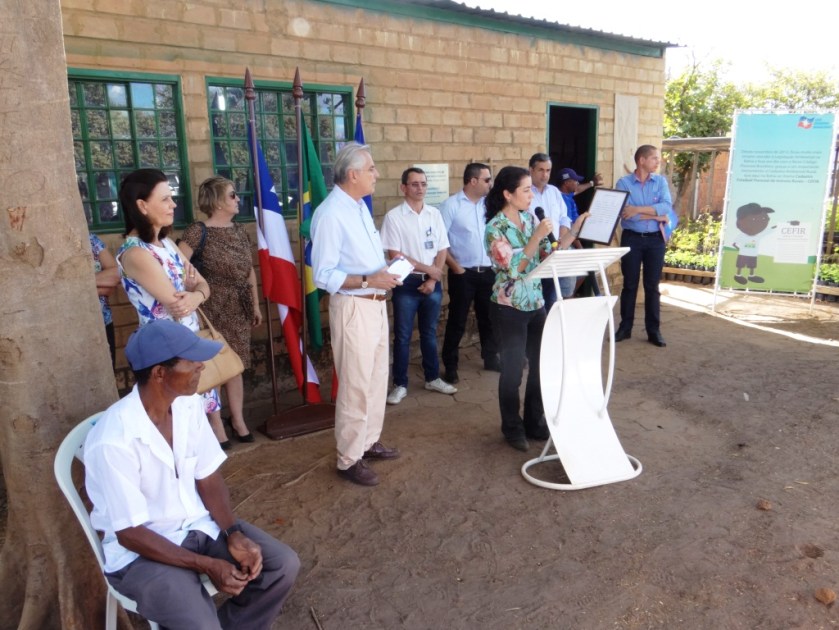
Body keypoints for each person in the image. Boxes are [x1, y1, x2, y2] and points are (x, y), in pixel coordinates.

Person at [84, 319, 299, 629]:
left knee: (281, 566)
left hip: (199, 527)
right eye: (191, 361)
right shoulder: (114, 440)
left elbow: (208, 477)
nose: (202, 366)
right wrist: (207, 564)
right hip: (141, 554)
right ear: (159, 373)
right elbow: (131, 534)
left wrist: (232, 532)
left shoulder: (188, 406)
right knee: (199, 622)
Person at [116, 168, 229, 449]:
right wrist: (193, 295)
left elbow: (203, 287)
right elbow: (177, 305)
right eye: (165, 199)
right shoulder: (136, 253)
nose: (173, 205)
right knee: (178, 424)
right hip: (165, 352)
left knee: (196, 418)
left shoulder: (166, 243)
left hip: (187, 343)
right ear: (142, 206)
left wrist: (195, 295)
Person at [311, 142, 401, 486]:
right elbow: (323, 274)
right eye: (371, 169)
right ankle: (349, 458)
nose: (376, 174)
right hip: (354, 307)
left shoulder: (359, 207)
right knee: (355, 384)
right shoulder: (331, 213)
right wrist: (368, 278)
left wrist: (384, 267)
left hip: (375, 303)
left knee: (377, 377)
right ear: (352, 175)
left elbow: (364, 256)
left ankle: (367, 441)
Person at [484, 166, 588, 452]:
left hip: (536, 303)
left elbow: (549, 253)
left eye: (532, 189)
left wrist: (575, 228)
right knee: (513, 372)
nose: (532, 195)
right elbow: (513, 269)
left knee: (542, 366)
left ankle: (534, 421)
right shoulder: (495, 228)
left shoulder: (530, 220)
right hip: (509, 308)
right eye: (526, 190)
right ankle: (512, 427)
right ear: (508, 194)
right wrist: (535, 237)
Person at [179, 176, 263, 444]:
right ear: (216, 201)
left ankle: (237, 420)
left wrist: (256, 303)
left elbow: (248, 269)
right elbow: (178, 265)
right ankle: (216, 425)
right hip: (211, 307)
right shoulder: (198, 230)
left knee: (235, 364)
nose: (237, 199)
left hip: (238, 306)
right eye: (231, 195)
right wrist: (193, 289)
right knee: (212, 365)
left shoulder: (239, 230)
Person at [381, 167, 456, 405]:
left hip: (431, 283)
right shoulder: (394, 217)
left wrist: (433, 279)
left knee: (429, 333)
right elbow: (395, 254)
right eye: (414, 184)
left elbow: (442, 248)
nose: (420, 188)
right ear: (403, 187)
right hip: (406, 283)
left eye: (423, 184)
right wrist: (429, 270)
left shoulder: (434, 214)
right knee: (402, 336)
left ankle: (432, 377)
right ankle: (400, 384)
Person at [439, 162, 500, 385]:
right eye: (486, 180)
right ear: (472, 181)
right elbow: (440, 242)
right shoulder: (451, 205)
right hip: (463, 272)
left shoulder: (489, 205)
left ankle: (491, 358)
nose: (490, 184)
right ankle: (451, 366)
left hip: (488, 271)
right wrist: (456, 267)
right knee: (458, 320)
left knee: (489, 318)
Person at [614, 145, 672, 347]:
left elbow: (666, 208)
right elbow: (623, 212)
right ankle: (625, 328)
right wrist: (656, 214)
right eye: (655, 158)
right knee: (629, 285)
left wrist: (638, 209)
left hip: (656, 239)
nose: (658, 162)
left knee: (652, 286)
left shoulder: (660, 182)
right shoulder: (623, 183)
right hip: (632, 238)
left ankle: (653, 331)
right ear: (642, 160)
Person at [527, 153, 574, 310]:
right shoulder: (525, 193)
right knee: (536, 301)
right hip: (533, 255)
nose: (545, 174)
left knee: (553, 298)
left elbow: (564, 218)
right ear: (531, 170)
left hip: (555, 253)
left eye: (548, 170)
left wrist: (560, 240)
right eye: (541, 170)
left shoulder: (554, 192)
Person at [557, 167, 604, 297]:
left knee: (584, 271)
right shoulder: (561, 200)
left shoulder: (567, 194)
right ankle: (567, 297)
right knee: (581, 270)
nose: (577, 183)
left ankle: (569, 295)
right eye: (574, 181)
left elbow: (577, 190)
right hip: (566, 243)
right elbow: (572, 229)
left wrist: (592, 183)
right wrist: (580, 248)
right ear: (566, 183)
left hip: (571, 240)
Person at [89, 233, 120, 368]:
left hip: (103, 321)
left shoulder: (92, 240)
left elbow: (116, 274)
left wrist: (74, 286)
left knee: (108, 369)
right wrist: (99, 283)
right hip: (71, 324)